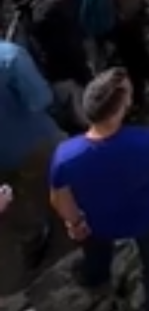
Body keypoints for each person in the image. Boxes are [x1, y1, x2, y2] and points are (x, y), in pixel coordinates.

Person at [50, 69, 149, 311]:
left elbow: (59, 197)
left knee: (95, 249)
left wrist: (74, 223)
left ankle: (94, 275)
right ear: (120, 108)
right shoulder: (147, 140)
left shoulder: (65, 155)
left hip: (100, 222)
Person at [8, 0, 93, 130]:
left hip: (39, 56)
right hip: (62, 73)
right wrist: (85, 76)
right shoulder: (55, 4)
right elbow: (68, 49)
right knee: (85, 119)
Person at [0, 38, 58, 283]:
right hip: (33, 142)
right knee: (58, 180)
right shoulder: (10, 57)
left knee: (16, 202)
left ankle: (33, 236)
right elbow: (41, 99)